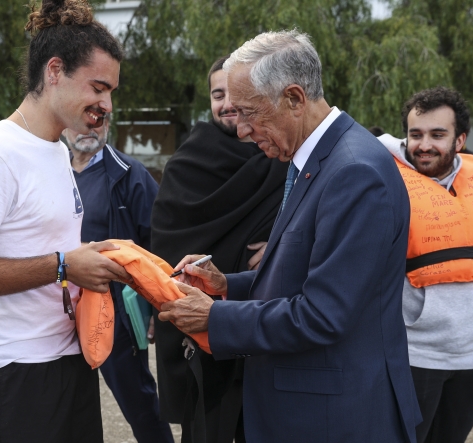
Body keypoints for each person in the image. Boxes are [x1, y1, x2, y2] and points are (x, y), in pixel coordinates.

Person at [158, 30, 420, 442]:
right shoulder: (314, 158)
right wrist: (227, 285)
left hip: (334, 417)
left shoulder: (354, 172)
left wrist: (215, 318)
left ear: (294, 98)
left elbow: (324, 314)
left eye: (248, 112)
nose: (241, 129)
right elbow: (299, 271)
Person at [0, 1, 130, 442]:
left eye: (112, 91)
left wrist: (90, 261)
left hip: (69, 359)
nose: (107, 104)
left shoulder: (57, 149)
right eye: (99, 87)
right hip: (13, 373)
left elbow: (48, 244)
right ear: (55, 71)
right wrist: (63, 265)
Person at [151, 55, 289, 443]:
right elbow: (167, 243)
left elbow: (304, 225)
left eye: (236, 94)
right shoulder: (186, 163)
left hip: (265, 324)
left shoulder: (279, 154)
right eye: (217, 94)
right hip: (203, 336)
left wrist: (281, 249)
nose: (227, 103)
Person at [379, 87, 473, 443]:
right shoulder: (388, 180)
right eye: (415, 134)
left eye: (438, 135)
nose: (424, 145)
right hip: (416, 356)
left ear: (460, 139)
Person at [62, 113, 174, 443]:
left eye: (99, 120)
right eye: (82, 119)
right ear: (63, 124)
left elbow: (158, 244)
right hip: (60, 307)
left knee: (139, 402)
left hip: (115, 313)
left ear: (108, 125)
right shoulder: (53, 172)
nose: (91, 127)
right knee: (66, 405)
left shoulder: (130, 175)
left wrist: (157, 310)